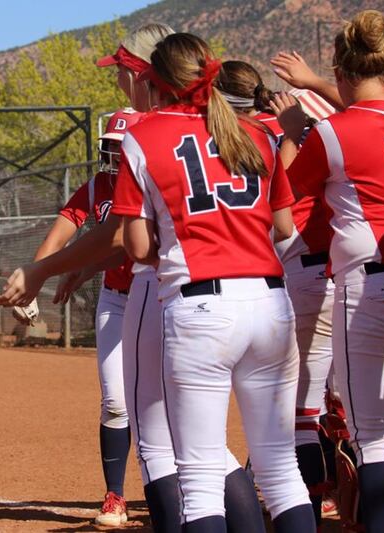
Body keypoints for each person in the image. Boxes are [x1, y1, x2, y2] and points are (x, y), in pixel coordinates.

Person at [0, 25, 268, 533]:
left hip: (163, 289)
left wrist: (42, 269)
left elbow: (126, 239)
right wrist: (76, 266)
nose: (119, 75)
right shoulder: (223, 124)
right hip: (243, 290)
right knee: (215, 447)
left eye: (124, 66)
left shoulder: (153, 128)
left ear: (147, 71)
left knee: (159, 445)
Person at [113, 32, 316, 532]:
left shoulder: (142, 134)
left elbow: (136, 247)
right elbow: (285, 227)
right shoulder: (256, 132)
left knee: (201, 481)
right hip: (270, 301)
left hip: (199, 305)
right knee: (282, 472)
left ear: (156, 82)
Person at [272, 10, 384, 533]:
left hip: (372, 288)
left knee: (372, 435)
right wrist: (318, 89)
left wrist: (292, 134)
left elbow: (284, 204)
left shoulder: (329, 133)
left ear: (341, 72)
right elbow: (367, 106)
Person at [217, 60, 336, 527]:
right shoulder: (316, 123)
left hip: (290, 269)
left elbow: (273, 206)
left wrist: (288, 137)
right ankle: (330, 493)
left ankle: (313, 496)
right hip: (339, 271)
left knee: (296, 413)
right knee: (336, 403)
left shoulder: (244, 134)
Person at [22, 108, 141, 526]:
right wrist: (32, 279)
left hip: (155, 296)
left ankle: (177, 487)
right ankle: (115, 496)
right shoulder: (97, 186)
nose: (113, 154)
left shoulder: (154, 179)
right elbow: (60, 234)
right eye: (109, 146)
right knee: (114, 401)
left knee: (160, 402)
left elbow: (130, 243)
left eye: (121, 147)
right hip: (115, 298)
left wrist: (85, 267)